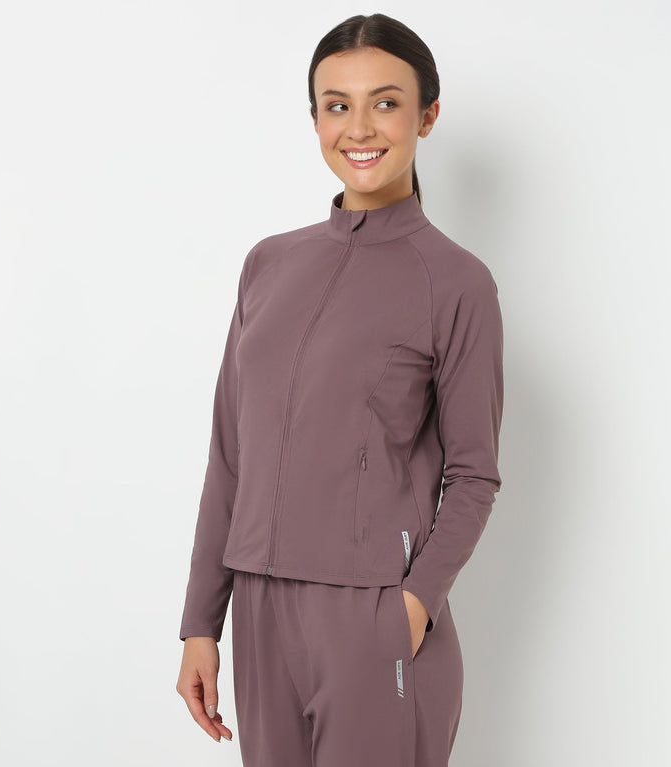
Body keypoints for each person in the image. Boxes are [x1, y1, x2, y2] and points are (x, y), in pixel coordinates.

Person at [175, 12, 504, 767]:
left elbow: (474, 475)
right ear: (315, 118)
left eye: (385, 102)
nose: (359, 127)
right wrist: (201, 622)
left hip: (371, 614)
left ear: (427, 115)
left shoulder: (456, 282)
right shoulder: (268, 265)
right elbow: (231, 453)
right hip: (259, 612)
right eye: (336, 105)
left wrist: (410, 609)